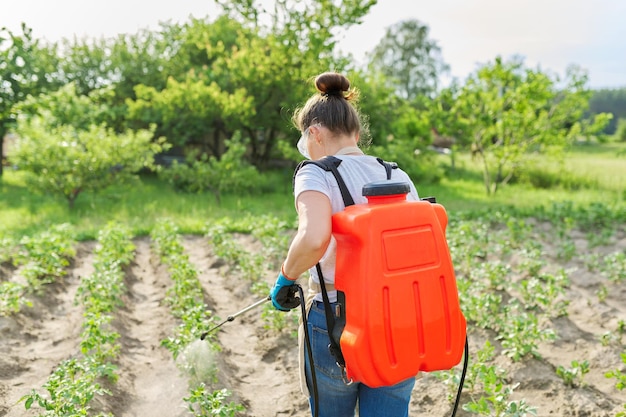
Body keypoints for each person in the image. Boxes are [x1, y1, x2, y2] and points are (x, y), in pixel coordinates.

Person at [270, 71, 421, 417]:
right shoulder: (396, 174)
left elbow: (313, 237)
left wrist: (286, 278)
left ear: (314, 133)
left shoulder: (315, 173)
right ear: (356, 133)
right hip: (398, 319)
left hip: (337, 322)